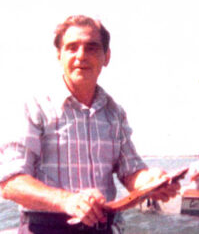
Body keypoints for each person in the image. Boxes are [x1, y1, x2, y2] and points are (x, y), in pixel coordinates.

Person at [0, 15, 180, 234]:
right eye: (72, 48)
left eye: (92, 48)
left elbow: (131, 171)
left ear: (107, 57)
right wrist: (68, 201)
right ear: (59, 55)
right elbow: (10, 182)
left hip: (104, 228)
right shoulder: (34, 107)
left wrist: (151, 181)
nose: (81, 56)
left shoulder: (114, 113)